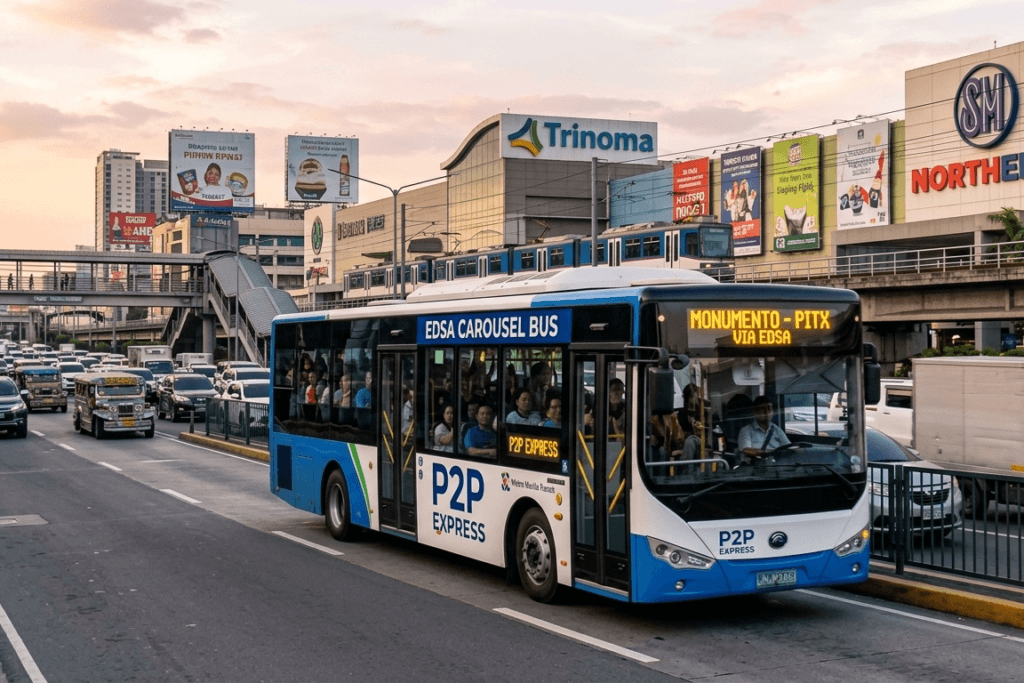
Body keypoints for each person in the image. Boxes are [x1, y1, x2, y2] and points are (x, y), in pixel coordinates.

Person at [737, 396, 790, 461]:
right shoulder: (746, 430)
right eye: (762, 409)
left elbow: (789, 447)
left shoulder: (777, 430)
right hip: (756, 467)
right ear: (755, 412)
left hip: (776, 466)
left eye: (769, 409)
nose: (766, 412)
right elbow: (746, 451)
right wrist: (771, 453)